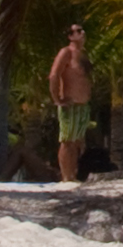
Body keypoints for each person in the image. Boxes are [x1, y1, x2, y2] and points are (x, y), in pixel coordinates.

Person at [48, 23, 96, 187]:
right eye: (76, 31)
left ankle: (72, 175)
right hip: (70, 104)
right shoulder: (66, 53)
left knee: (76, 141)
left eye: (82, 30)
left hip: (83, 105)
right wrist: (57, 99)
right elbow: (54, 75)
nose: (81, 33)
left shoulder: (83, 54)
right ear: (70, 36)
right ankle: (66, 177)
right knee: (67, 140)